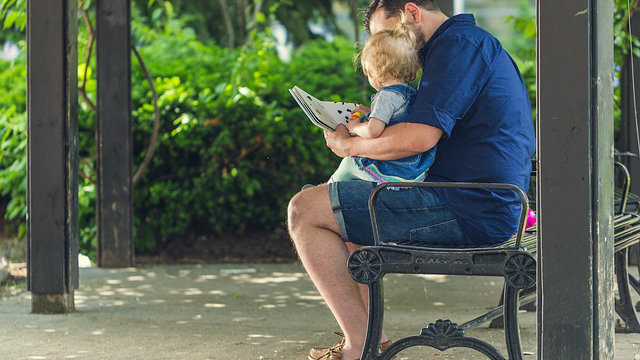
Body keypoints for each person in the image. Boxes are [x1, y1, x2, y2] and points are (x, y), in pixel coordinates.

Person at [288, 1, 536, 359]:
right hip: (478, 201)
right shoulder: (462, 45)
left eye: (390, 34)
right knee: (337, 209)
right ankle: (371, 340)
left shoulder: (458, 47)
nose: (389, 48)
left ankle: (361, 347)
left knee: (304, 209)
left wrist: (349, 144)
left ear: (412, 13)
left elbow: (419, 139)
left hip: (469, 207)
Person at [330, 17, 435, 184]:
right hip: (413, 168)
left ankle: (328, 190)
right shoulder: (409, 92)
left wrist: (355, 126)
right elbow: (392, 118)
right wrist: (370, 113)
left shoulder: (386, 96)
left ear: (374, 71)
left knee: (349, 163)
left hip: (394, 169)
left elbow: (373, 131)